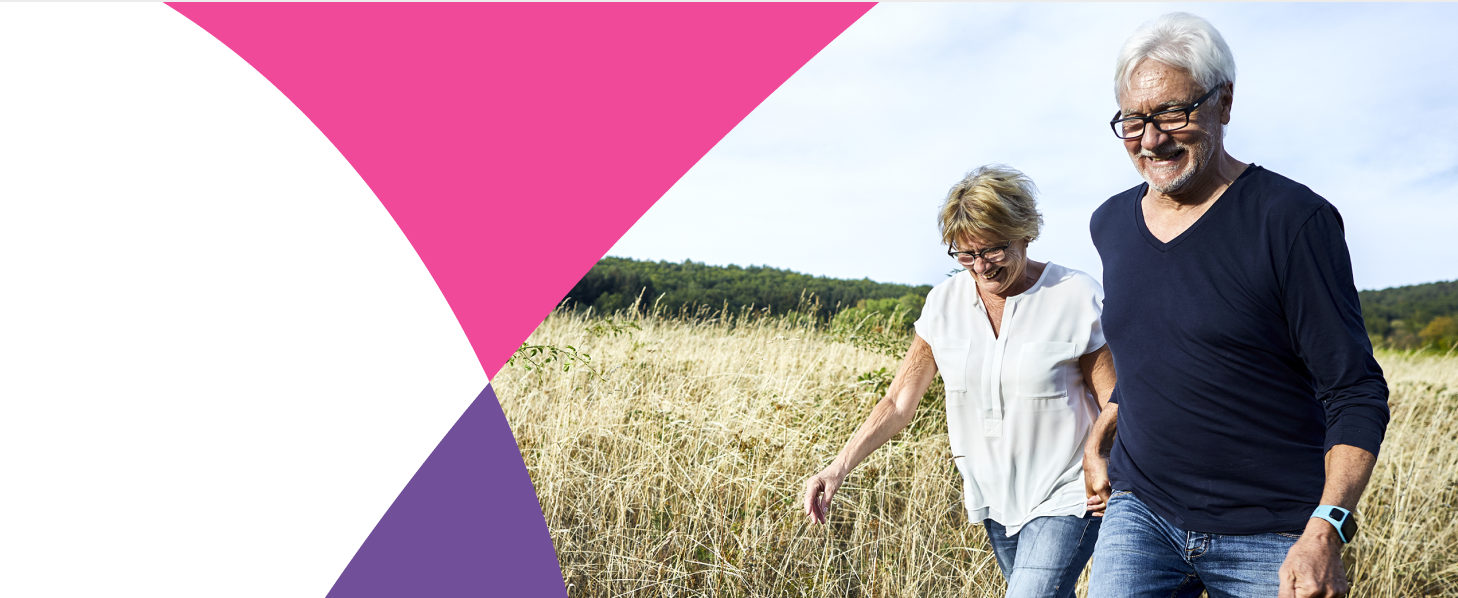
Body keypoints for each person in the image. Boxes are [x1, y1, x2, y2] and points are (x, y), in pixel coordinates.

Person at [1082, 13, 1390, 598]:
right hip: (1141, 512)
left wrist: (1326, 530)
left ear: (1223, 102)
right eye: (1133, 121)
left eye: (1173, 113)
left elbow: (1355, 390)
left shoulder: (1293, 220)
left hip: (1271, 528)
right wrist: (1099, 439)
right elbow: (1154, 350)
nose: (1151, 140)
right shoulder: (1111, 223)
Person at [803, 165, 1116, 598]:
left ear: (1025, 233)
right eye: (966, 255)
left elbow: (1115, 397)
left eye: (993, 250)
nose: (981, 267)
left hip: (1067, 494)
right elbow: (898, 402)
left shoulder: (1075, 294)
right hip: (993, 499)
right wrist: (836, 468)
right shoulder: (943, 304)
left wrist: (1101, 456)